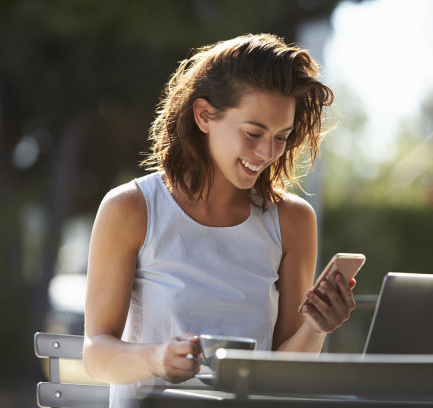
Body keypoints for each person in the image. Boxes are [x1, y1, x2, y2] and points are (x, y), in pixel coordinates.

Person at [82, 33, 357, 407]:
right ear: (204, 115)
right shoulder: (132, 209)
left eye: (282, 136)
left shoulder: (291, 221)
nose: (266, 153)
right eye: (253, 133)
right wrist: (157, 358)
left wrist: (317, 326)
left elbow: (285, 375)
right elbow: (97, 354)